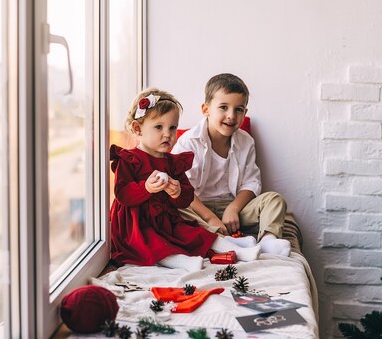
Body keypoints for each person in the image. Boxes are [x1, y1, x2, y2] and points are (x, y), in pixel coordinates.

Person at [110, 88, 261, 272]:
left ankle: (238, 250)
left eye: (172, 128)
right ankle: (181, 262)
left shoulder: (172, 162)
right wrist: (146, 188)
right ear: (137, 128)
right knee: (153, 243)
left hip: (166, 219)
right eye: (159, 127)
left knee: (195, 233)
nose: (168, 134)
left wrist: (177, 192)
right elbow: (122, 194)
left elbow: (187, 197)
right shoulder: (129, 159)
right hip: (137, 223)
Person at [172, 74, 291, 256]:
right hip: (197, 208)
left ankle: (268, 240)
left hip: (233, 210)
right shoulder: (189, 141)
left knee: (274, 200)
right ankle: (226, 241)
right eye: (223, 107)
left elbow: (251, 183)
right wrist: (210, 217)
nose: (231, 116)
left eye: (239, 109)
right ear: (206, 109)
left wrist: (233, 208)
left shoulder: (246, 141)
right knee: (173, 209)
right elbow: (183, 187)